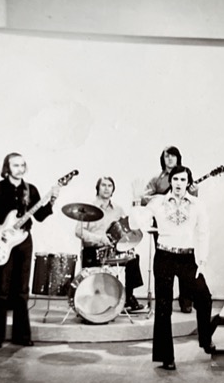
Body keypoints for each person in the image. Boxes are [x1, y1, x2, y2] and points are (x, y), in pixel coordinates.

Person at [0, 152, 59, 349]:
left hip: (23, 241)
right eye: (15, 165)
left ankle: (21, 335)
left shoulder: (31, 190)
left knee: (22, 290)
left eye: (22, 165)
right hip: (3, 241)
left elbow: (39, 216)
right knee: (1, 289)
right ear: (7, 168)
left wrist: (52, 201)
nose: (20, 169)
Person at [144, 165, 214, 370]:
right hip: (164, 256)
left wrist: (202, 260)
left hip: (187, 258)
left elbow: (204, 232)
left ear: (188, 183)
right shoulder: (157, 202)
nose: (178, 183)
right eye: (175, 179)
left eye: (183, 180)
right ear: (170, 181)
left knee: (204, 297)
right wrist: (138, 203)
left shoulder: (197, 204)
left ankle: (205, 339)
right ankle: (166, 357)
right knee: (163, 307)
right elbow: (139, 220)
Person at [74, 176, 144, 312]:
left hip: (112, 250)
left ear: (113, 190)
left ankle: (128, 296)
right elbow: (78, 231)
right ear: (98, 188)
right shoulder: (88, 209)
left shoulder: (118, 210)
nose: (107, 188)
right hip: (93, 250)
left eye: (109, 186)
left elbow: (127, 228)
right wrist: (99, 238)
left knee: (133, 258)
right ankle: (92, 300)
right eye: (103, 185)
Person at [141, 146, 197, 313]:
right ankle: (165, 302)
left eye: (173, 156)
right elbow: (144, 198)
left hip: (182, 225)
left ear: (178, 158)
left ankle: (186, 300)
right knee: (164, 264)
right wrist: (160, 198)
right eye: (167, 156)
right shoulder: (156, 179)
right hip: (162, 226)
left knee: (186, 262)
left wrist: (195, 193)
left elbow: (193, 204)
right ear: (163, 159)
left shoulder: (186, 176)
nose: (170, 159)